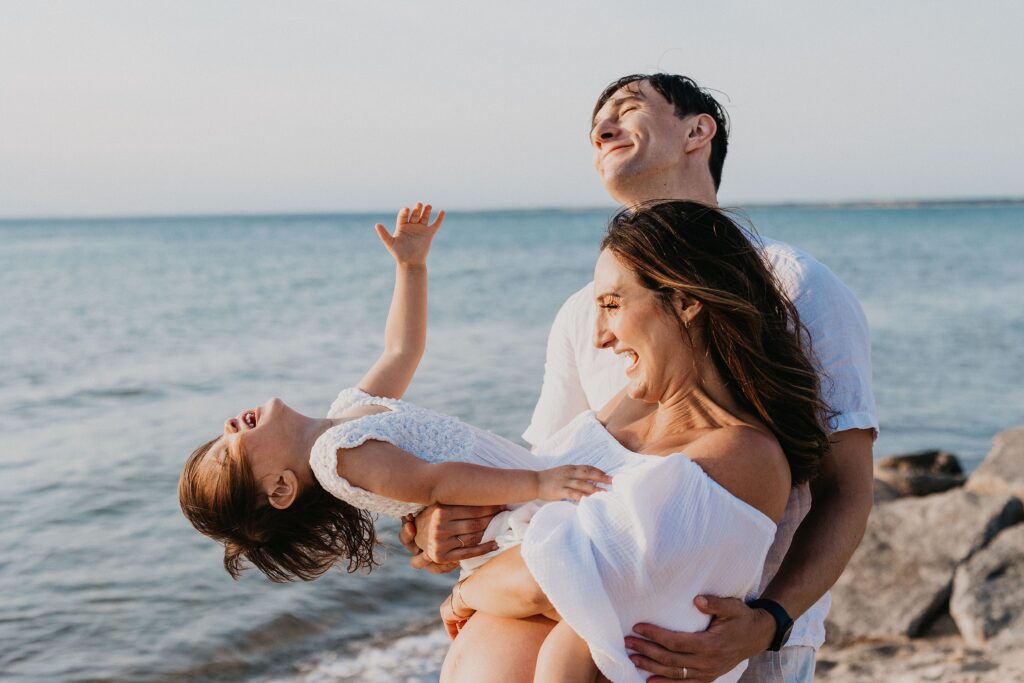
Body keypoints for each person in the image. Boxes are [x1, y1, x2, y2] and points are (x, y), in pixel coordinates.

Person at [403, 74, 878, 682]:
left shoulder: (792, 285)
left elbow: (847, 490)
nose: (602, 130)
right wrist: (447, 518)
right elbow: (541, 480)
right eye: (594, 126)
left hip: (728, 644)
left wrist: (769, 620)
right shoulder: (583, 312)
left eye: (628, 110)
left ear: (697, 130)